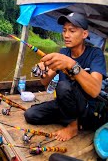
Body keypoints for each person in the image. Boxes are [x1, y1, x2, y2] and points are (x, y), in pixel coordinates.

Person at [24, 12, 107, 141]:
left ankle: (73, 126)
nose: (66, 35)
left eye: (72, 31)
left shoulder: (95, 54)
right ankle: (72, 119)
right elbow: (45, 82)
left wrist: (70, 63)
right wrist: (42, 71)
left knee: (62, 86)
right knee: (31, 115)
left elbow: (95, 90)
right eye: (64, 30)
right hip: (66, 103)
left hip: (86, 107)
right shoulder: (63, 52)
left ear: (84, 34)